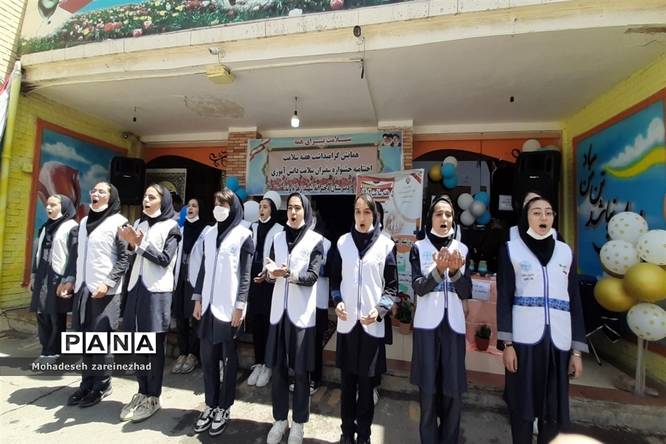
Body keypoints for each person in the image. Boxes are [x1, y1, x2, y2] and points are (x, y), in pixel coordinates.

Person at [497, 196, 587, 444]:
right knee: (522, 407)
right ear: (526, 218)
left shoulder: (566, 252)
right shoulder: (511, 250)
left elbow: (575, 301)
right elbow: (504, 298)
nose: (543, 217)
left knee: (553, 410)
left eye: (548, 212)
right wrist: (507, 344)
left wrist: (576, 352)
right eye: (536, 212)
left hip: (559, 342)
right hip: (524, 342)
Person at [329, 193, 397, 444]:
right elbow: (335, 280)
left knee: (367, 387)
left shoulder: (386, 246)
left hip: (371, 327)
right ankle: (347, 433)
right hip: (348, 325)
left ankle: (364, 435)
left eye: (367, 212)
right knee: (347, 385)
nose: (362, 217)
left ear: (375, 215)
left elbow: (391, 288)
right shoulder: (342, 243)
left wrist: (379, 310)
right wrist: (337, 301)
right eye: (357, 211)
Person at [191, 189, 254, 437]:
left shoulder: (244, 235)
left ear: (233, 207)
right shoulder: (208, 233)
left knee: (228, 361)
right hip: (207, 305)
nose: (218, 207)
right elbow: (204, 270)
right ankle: (210, 403)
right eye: (216, 203)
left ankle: (224, 407)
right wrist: (197, 299)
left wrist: (240, 306)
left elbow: (245, 275)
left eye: (224, 204)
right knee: (207, 359)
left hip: (229, 308)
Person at [410, 195, 472, 444]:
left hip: (454, 327)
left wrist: (455, 273)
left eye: (448, 214)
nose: (444, 218)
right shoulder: (419, 248)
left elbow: (466, 291)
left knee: (453, 393)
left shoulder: (462, 250)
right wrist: (438, 271)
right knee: (428, 392)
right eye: (439, 214)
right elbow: (419, 287)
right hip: (426, 327)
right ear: (431, 218)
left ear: (453, 219)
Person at [264, 192, 325, 444]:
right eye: (290, 207)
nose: (293, 212)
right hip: (279, 313)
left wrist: (289, 274)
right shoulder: (277, 238)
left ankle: (299, 423)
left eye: (298, 208)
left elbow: (312, 276)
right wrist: (268, 274)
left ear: (306, 211)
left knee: (301, 372)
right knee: (278, 369)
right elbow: (270, 270)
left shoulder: (315, 241)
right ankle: (280, 420)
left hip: (301, 316)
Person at [118, 184, 181, 422]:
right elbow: (132, 254)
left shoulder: (172, 227)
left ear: (162, 202)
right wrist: (130, 242)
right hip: (136, 288)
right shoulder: (139, 223)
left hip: (157, 291)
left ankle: (153, 396)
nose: (146, 200)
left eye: (151, 197)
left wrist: (140, 244)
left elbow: (165, 259)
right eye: (145, 196)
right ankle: (141, 390)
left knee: (153, 346)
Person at [67, 182, 129, 408]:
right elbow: (77, 255)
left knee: (101, 340)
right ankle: (86, 384)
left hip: (106, 291)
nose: (95, 193)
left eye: (102, 191)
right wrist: (70, 280)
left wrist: (108, 282)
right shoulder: (83, 222)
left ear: (111, 197)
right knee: (84, 339)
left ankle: (102, 385)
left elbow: (124, 259)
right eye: (94, 190)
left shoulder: (119, 222)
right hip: (83, 288)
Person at [30, 194, 78, 364]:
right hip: (43, 275)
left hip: (58, 276)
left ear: (63, 207)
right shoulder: (45, 227)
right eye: (47, 205)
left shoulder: (72, 227)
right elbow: (38, 252)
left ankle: (53, 352)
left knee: (55, 315)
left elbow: (75, 256)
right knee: (42, 313)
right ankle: (46, 350)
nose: (48, 208)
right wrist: (34, 275)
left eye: (53, 205)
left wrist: (69, 279)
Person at [247, 192, 283, 388]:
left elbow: (279, 257)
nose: (261, 210)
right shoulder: (252, 227)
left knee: (269, 324)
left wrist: (268, 274)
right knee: (256, 323)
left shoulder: (279, 230)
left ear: (273, 210)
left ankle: (269, 364)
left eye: (266, 207)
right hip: (253, 282)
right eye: (260, 206)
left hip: (270, 284)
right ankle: (259, 362)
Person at [172, 198, 207, 374]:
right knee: (180, 317)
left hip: (196, 279)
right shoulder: (180, 229)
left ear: (200, 209)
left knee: (195, 318)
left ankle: (193, 354)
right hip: (180, 278)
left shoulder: (206, 231)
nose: (190, 208)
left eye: (195, 205)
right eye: (189, 206)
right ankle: (183, 352)